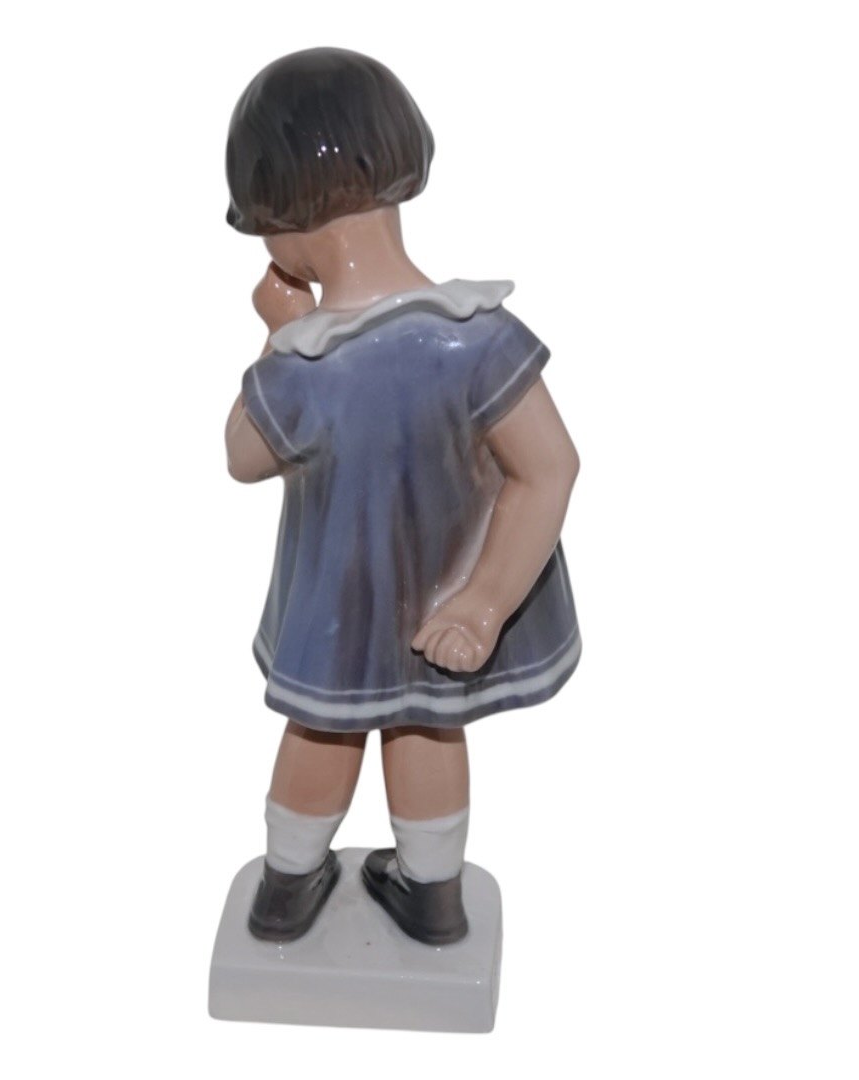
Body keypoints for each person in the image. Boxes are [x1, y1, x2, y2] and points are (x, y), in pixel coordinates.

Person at [223, 47, 581, 946]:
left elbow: (241, 455)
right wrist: (481, 601)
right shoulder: (481, 338)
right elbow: (550, 467)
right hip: (434, 616)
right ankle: (430, 892)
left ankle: (287, 884)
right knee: (426, 728)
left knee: (322, 734)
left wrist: (279, 336)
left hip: (334, 614)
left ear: (284, 223)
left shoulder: (311, 361)